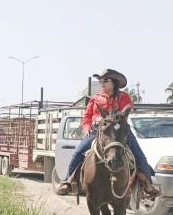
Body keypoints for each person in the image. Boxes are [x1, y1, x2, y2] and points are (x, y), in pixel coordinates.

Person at [56, 69, 161, 198]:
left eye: (105, 80)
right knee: (78, 152)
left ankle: (147, 185)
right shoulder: (95, 98)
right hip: (98, 132)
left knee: (139, 155)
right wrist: (87, 127)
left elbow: (125, 113)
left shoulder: (124, 97)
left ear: (114, 83)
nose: (102, 83)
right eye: (101, 81)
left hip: (119, 133)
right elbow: (87, 117)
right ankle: (68, 181)